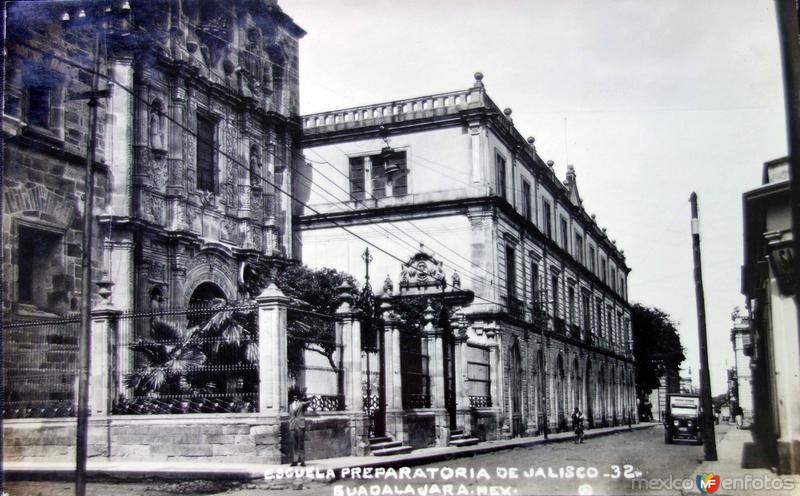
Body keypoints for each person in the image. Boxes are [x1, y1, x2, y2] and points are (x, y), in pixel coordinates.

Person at [289, 393, 310, 466]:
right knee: (294, 444)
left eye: (296, 395)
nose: (295, 396)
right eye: (294, 395)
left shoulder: (301, 404)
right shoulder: (290, 405)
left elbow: (308, 402)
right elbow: (291, 415)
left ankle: (302, 461)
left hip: (300, 425)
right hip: (292, 425)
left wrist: (303, 398)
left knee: (301, 443)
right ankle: (295, 460)